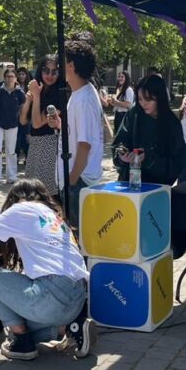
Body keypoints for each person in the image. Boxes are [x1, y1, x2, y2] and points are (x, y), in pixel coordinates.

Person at [0, 179, 96, 360]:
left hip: (52, 294)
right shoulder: (54, 215)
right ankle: (71, 327)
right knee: (28, 324)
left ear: (15, 198)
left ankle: (22, 342)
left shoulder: (21, 209)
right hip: (77, 298)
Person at [47, 34, 105, 227]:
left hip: (80, 180)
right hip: (75, 178)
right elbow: (80, 134)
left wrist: (71, 180)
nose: (57, 67)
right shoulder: (80, 93)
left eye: (62, 62)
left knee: (79, 237)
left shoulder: (85, 98)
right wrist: (61, 126)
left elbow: (84, 144)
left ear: (71, 65)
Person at [112, 74, 184, 186]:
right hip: (129, 183)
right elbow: (119, 141)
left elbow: (176, 164)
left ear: (159, 97)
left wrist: (149, 158)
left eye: (148, 99)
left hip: (157, 187)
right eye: (140, 99)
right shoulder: (134, 114)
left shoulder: (172, 124)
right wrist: (121, 154)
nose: (143, 103)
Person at [21, 54, 62, 196]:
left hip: (50, 146)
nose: (49, 75)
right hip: (35, 145)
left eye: (54, 72)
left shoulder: (60, 94)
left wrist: (36, 95)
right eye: (46, 71)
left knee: (47, 195)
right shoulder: (37, 88)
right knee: (32, 194)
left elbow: (38, 123)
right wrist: (28, 100)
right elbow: (23, 120)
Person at [0, 68, 25, 185]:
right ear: (4, 78)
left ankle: (12, 177)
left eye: (12, 76)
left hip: (13, 125)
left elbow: (24, 110)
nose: (10, 78)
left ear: (16, 78)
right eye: (7, 76)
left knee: (11, 151)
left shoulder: (20, 93)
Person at [110, 71, 134, 136]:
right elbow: (117, 104)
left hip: (124, 116)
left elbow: (128, 105)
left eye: (122, 77)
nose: (120, 78)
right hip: (117, 115)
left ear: (126, 78)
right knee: (117, 135)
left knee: (122, 136)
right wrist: (111, 101)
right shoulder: (119, 89)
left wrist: (115, 101)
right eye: (119, 76)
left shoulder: (128, 90)